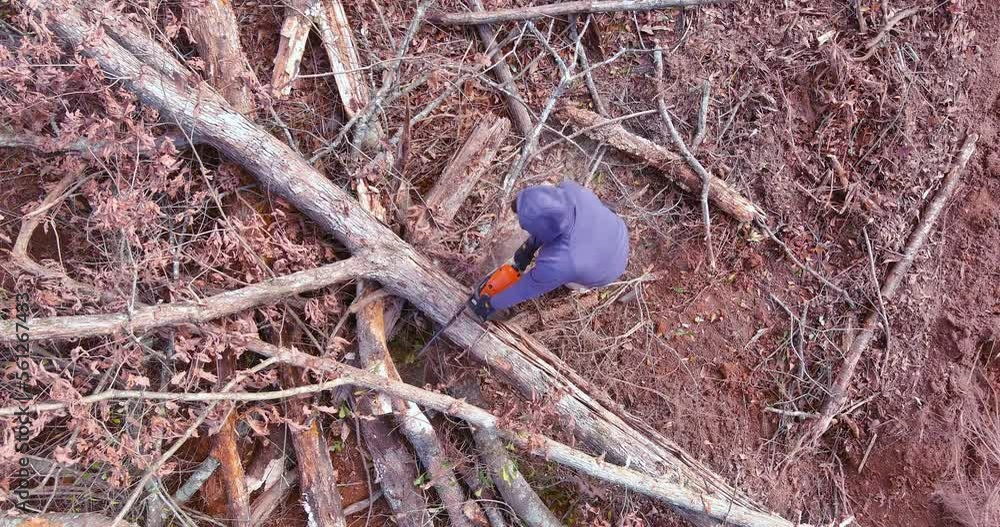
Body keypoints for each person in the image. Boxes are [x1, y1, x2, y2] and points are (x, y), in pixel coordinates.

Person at [469, 181, 630, 320]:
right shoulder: (570, 189)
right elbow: (552, 222)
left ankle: (579, 282)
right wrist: (529, 247)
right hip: (616, 229)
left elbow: (526, 288)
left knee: (570, 282)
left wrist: (491, 304)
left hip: (610, 269)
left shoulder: (560, 263)